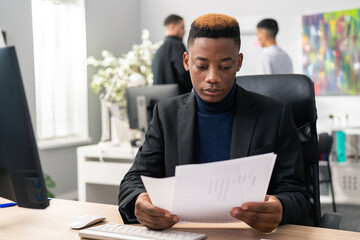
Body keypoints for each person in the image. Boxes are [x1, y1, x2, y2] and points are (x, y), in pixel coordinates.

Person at [119, 13, 312, 233]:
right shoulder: (166, 114)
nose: (212, 77)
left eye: (224, 66)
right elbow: (133, 180)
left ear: (238, 63)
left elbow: (297, 193)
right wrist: (138, 202)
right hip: (184, 234)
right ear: (186, 62)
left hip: (248, 235)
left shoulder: (274, 115)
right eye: (201, 66)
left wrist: (281, 208)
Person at [151, 14, 192, 94]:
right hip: (177, 101)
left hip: (161, 101)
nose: (184, 31)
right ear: (172, 26)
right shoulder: (177, 45)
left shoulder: (158, 51)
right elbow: (184, 73)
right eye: (182, 27)